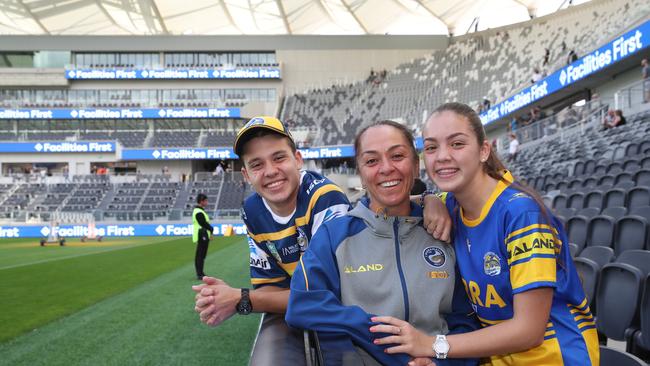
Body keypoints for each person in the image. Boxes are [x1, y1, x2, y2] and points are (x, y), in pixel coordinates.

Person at [371, 103, 599, 365]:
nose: (442, 156)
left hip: (556, 358)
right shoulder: (452, 204)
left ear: (483, 150)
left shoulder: (520, 214)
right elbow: (393, 201)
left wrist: (432, 345)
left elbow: (529, 331)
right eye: (432, 147)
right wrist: (429, 198)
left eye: (457, 144)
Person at [286, 120, 478, 366]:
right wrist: (385, 335)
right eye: (372, 161)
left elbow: (467, 320)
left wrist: (439, 361)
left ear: (416, 164)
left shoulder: (445, 229)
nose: (386, 168)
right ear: (361, 174)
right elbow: (303, 306)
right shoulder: (334, 235)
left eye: (397, 156)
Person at [192, 116, 353, 366]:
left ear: (297, 159)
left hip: (349, 311)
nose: (270, 171)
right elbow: (268, 286)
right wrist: (240, 299)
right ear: (246, 175)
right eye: (256, 164)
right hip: (303, 306)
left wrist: (239, 300)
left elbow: (327, 297)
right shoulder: (252, 210)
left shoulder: (325, 198)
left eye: (279, 157)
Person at [193, 193, 214, 280]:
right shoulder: (198, 212)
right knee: (200, 255)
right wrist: (211, 229)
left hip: (203, 234)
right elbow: (203, 223)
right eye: (206, 200)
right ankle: (200, 274)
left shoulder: (199, 211)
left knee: (201, 255)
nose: (207, 202)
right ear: (201, 201)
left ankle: (201, 272)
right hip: (201, 234)